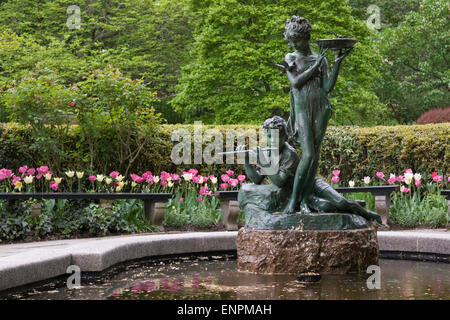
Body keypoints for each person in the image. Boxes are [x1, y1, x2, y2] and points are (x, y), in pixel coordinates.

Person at [238, 116, 381, 223]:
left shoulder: (289, 154)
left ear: (284, 136)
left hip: (311, 186)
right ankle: (352, 206)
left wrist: (264, 162)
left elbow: (280, 181)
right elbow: (257, 179)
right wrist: (246, 161)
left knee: (341, 202)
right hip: (293, 195)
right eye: (269, 136)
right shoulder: (267, 152)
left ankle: (367, 214)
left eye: (276, 136)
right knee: (326, 207)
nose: (272, 141)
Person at [276, 16, 352, 214]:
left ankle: (305, 200)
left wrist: (336, 63)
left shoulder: (321, 58)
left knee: (315, 157)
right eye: (290, 40)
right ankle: (293, 201)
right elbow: (295, 82)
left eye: (296, 40)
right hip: (302, 110)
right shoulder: (290, 58)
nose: (292, 44)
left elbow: (327, 88)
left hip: (320, 108)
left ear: (306, 37)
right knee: (307, 154)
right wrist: (316, 65)